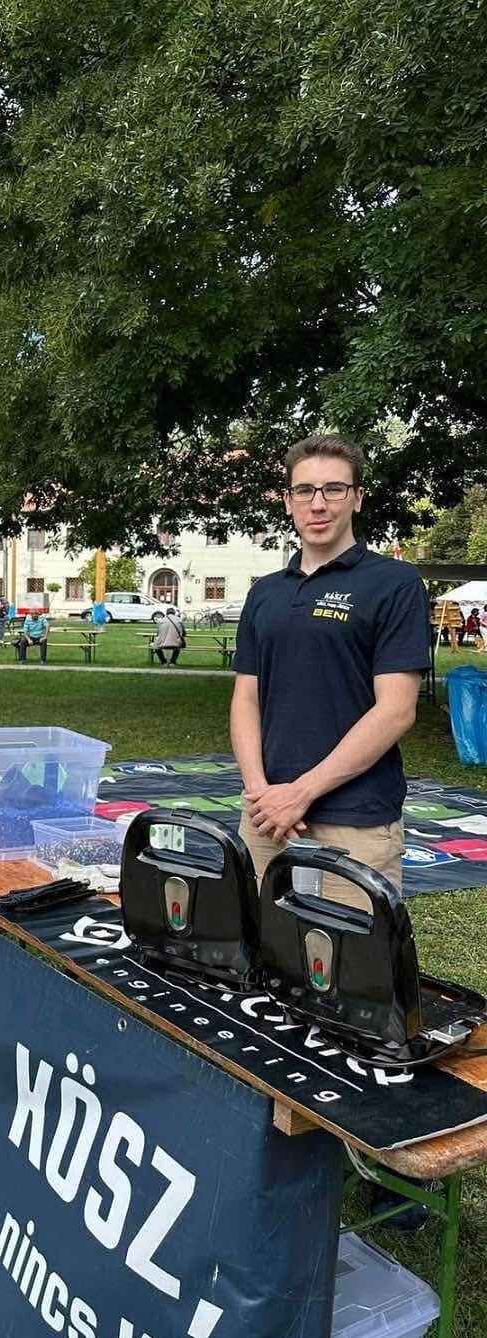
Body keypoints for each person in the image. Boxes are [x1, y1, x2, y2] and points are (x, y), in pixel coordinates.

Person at [230, 435, 432, 1227]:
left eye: (334, 489)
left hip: (352, 822)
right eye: (304, 489)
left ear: (355, 498)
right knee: (278, 980)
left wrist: (302, 790)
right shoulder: (267, 591)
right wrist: (260, 792)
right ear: (286, 499)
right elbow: (246, 698)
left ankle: (394, 1169)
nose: (318, 502)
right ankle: (293, 1137)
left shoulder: (391, 583)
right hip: (267, 818)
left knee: (364, 993)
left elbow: (397, 708)